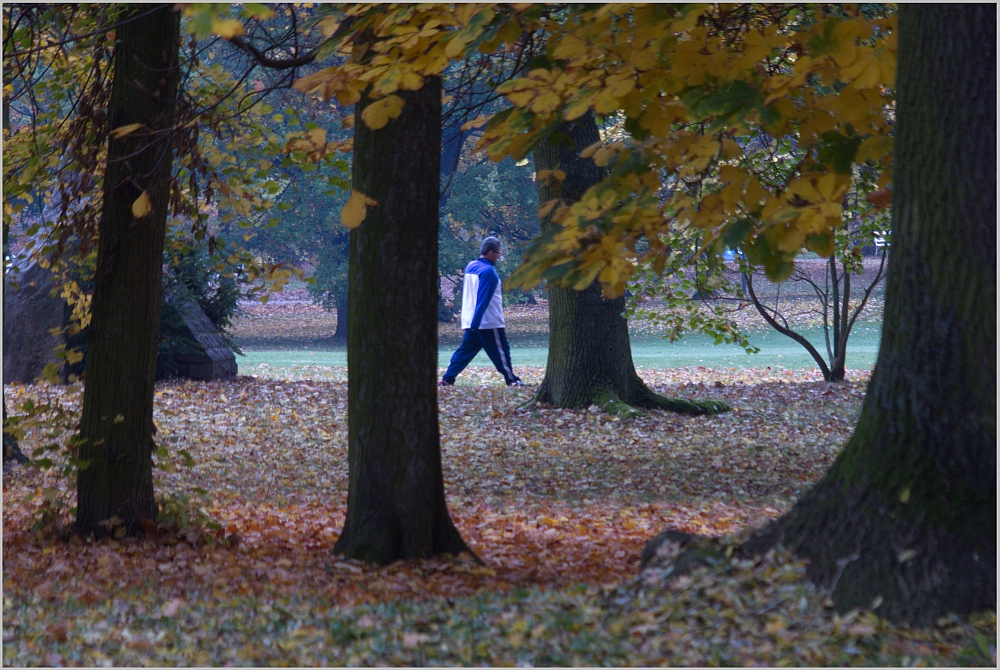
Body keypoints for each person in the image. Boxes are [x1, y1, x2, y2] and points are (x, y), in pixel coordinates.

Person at [440, 237, 523, 387]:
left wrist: (472, 323)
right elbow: (483, 299)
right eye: (498, 253)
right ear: (491, 252)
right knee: (501, 352)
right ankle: (512, 381)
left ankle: (447, 379)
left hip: (471, 319)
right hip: (487, 321)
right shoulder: (489, 272)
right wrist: (476, 322)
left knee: (464, 352)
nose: (499, 256)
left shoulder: (471, 266)